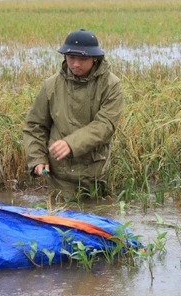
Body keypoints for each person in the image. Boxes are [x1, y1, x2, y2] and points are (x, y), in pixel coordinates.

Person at [23, 29, 123, 196]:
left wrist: (71, 144)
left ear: (94, 58)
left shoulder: (110, 85)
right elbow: (35, 126)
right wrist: (37, 159)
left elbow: (105, 125)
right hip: (58, 176)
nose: (76, 64)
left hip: (94, 174)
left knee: (96, 211)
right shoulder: (51, 85)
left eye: (82, 59)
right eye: (71, 58)